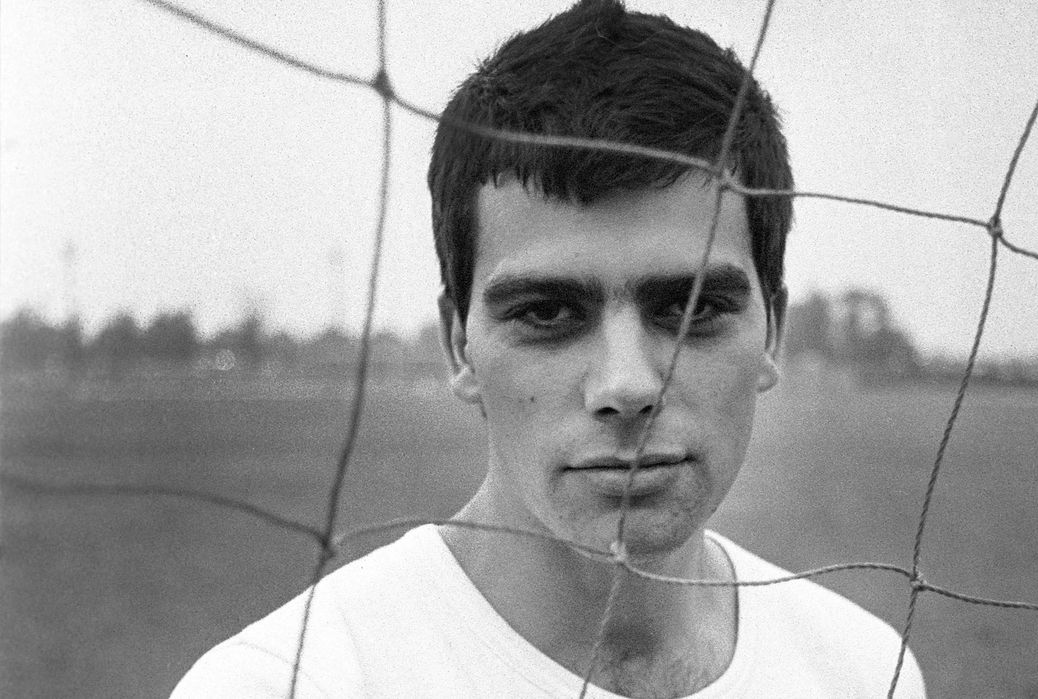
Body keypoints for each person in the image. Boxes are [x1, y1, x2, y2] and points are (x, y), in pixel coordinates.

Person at [174, 1, 925, 696]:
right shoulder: (287, 682)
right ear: (457, 344)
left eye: (691, 308)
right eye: (548, 312)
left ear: (774, 332)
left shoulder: (863, 670)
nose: (627, 384)